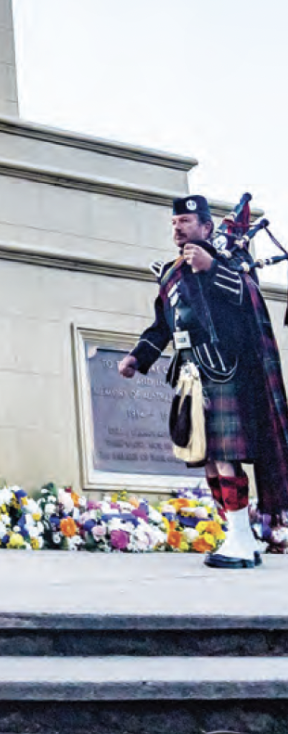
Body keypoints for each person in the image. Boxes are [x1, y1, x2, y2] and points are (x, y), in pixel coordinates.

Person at [119, 194, 288, 568]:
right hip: (192, 374)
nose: (178, 228)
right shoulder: (170, 272)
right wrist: (137, 357)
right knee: (209, 460)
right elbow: (163, 324)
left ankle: (243, 541)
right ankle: (236, 535)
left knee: (225, 458)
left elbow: (248, 297)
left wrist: (212, 266)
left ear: (207, 227)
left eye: (186, 222)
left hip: (226, 370)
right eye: (175, 223)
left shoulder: (229, 259)